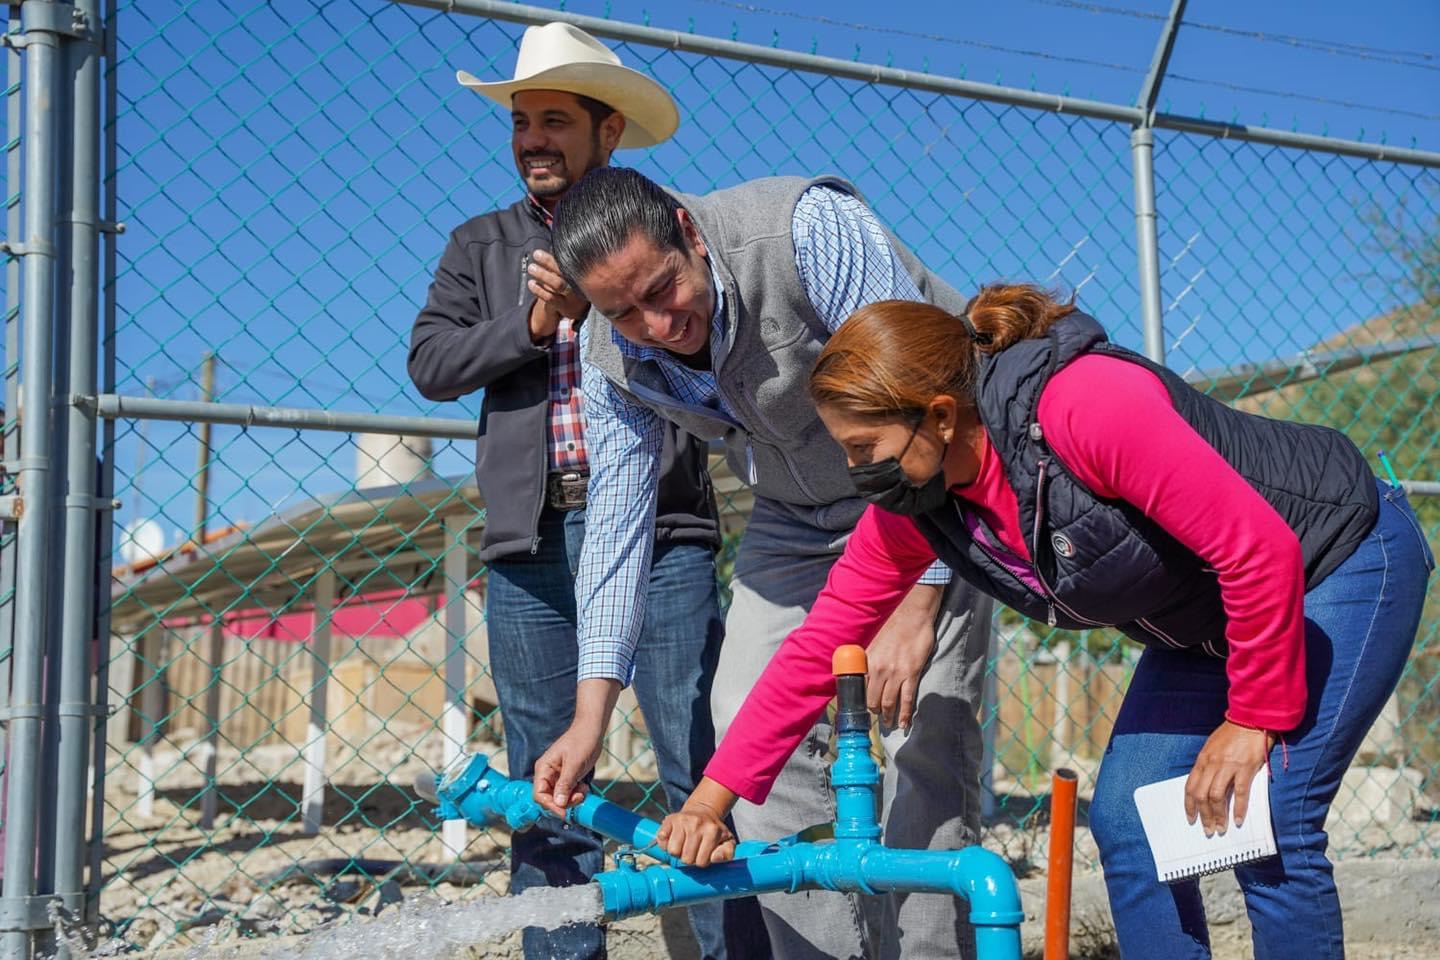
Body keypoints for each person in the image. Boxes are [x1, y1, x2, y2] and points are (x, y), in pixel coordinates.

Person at [658, 284, 1434, 959]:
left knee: (1270, 819)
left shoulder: (1082, 406)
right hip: (1208, 619)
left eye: (867, 448)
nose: (859, 472)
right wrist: (711, 799)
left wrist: (1253, 718)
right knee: (1129, 821)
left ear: (937, 415)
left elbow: (1256, 547)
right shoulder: (917, 508)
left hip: (1333, 559)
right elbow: (816, 649)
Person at [539, 165, 995, 960]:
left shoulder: (802, 229)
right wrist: (592, 714)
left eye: (661, 289)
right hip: (794, 513)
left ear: (687, 229)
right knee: (748, 724)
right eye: (622, 311)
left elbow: (923, 394)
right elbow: (617, 520)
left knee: (922, 727)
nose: (654, 323)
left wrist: (918, 602)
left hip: (928, 479)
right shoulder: (607, 351)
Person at [407, 24, 766, 960]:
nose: (531, 137)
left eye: (555, 119)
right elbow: (431, 363)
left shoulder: (663, 225)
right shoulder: (479, 245)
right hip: (529, 542)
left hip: (665, 529)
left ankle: (732, 947)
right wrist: (531, 323)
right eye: (521, 120)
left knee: (701, 758)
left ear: (609, 132)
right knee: (547, 782)